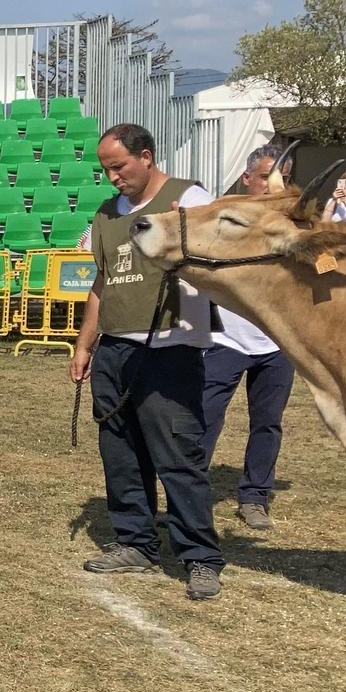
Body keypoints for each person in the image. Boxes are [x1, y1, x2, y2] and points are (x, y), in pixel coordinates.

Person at [69, 123, 223, 601]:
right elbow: (103, 283)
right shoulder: (106, 214)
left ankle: (199, 555)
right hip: (116, 348)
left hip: (170, 350)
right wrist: (84, 344)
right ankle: (135, 541)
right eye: (106, 170)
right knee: (120, 452)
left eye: (119, 167)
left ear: (147, 157)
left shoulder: (189, 198)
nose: (112, 177)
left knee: (178, 455)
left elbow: (219, 262)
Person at [200, 148, 295, 533]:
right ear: (246, 178)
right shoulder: (223, 219)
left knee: (268, 422)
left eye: (284, 179)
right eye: (268, 177)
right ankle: (187, 495)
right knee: (204, 418)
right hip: (226, 338)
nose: (277, 187)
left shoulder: (293, 225)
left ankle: (255, 497)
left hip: (277, 344)